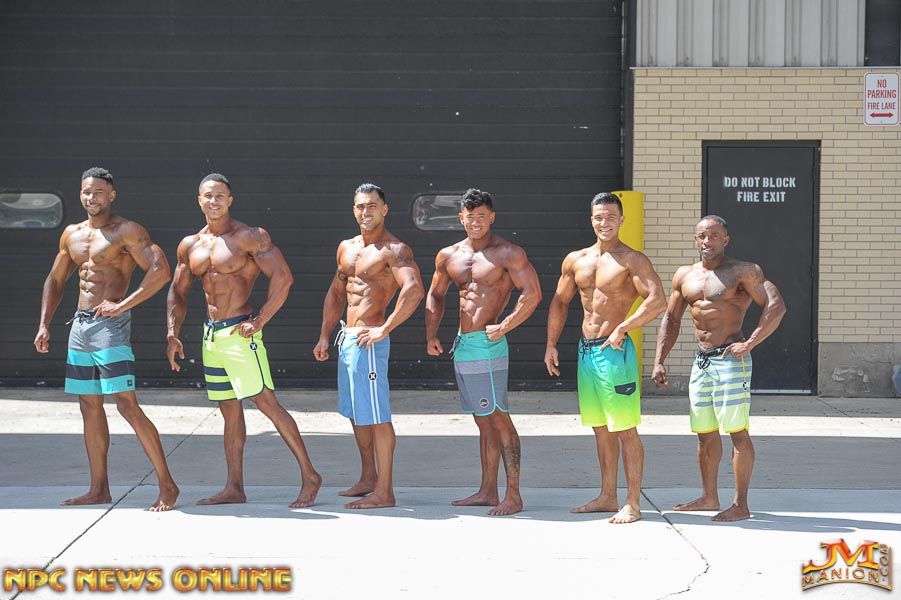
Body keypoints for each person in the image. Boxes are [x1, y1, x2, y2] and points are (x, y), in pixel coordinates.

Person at [166, 173, 321, 508]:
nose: (214, 201)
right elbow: (178, 292)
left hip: (240, 333)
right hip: (211, 337)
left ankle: (310, 475)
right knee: (229, 411)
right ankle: (234, 487)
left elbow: (283, 277)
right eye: (208, 196)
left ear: (230, 200)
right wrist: (172, 332)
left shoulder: (250, 237)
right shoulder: (190, 245)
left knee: (266, 403)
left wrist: (261, 319)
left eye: (220, 195)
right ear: (199, 200)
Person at [34, 167, 179, 511]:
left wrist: (123, 305)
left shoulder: (126, 231)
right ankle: (99, 488)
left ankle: (167, 485)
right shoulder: (71, 234)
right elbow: (55, 279)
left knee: (126, 405)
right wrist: (44, 324)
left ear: (111, 195)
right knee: (89, 406)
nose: (91, 197)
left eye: (98, 192)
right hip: (79, 327)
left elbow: (161, 270)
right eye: (87, 191)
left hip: (109, 327)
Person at [652, 215, 786, 522]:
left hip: (730, 360)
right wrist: (659, 359)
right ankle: (709, 497)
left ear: (725, 240)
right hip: (702, 361)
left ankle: (741, 504)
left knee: (737, 431)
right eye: (702, 236)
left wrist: (749, 343)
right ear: (695, 239)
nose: (707, 241)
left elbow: (776, 305)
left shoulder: (743, 271)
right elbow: (671, 318)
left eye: (714, 236)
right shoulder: (684, 275)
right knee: (704, 432)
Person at [545, 192, 666, 524]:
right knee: (600, 428)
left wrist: (624, 327)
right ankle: (607, 496)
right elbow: (559, 302)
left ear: (621, 220)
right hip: (586, 351)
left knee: (625, 429)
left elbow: (657, 300)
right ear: (591, 220)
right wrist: (551, 343)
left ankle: (633, 503)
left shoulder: (632, 260)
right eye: (599, 217)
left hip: (614, 353)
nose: (604, 222)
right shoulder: (576, 260)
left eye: (611, 216)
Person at [425, 188, 541, 516]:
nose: (475, 222)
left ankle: (513, 495)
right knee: (483, 421)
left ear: (491, 217)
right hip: (464, 344)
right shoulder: (448, 255)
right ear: (460, 218)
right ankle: (488, 491)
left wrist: (505, 326)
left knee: (499, 418)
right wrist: (431, 334)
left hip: (489, 345)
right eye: (470, 217)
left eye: (481, 217)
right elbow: (435, 294)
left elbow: (532, 294)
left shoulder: (508, 253)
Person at [313, 183, 424, 509]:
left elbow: (414, 290)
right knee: (357, 414)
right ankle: (368, 478)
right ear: (354, 210)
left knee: (377, 415)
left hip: (370, 341)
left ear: (384, 209)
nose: (366, 211)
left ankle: (385, 492)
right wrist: (324, 334)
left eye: (372, 205)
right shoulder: (346, 248)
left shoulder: (394, 250)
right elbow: (336, 292)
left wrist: (385, 328)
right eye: (361, 206)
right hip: (347, 338)